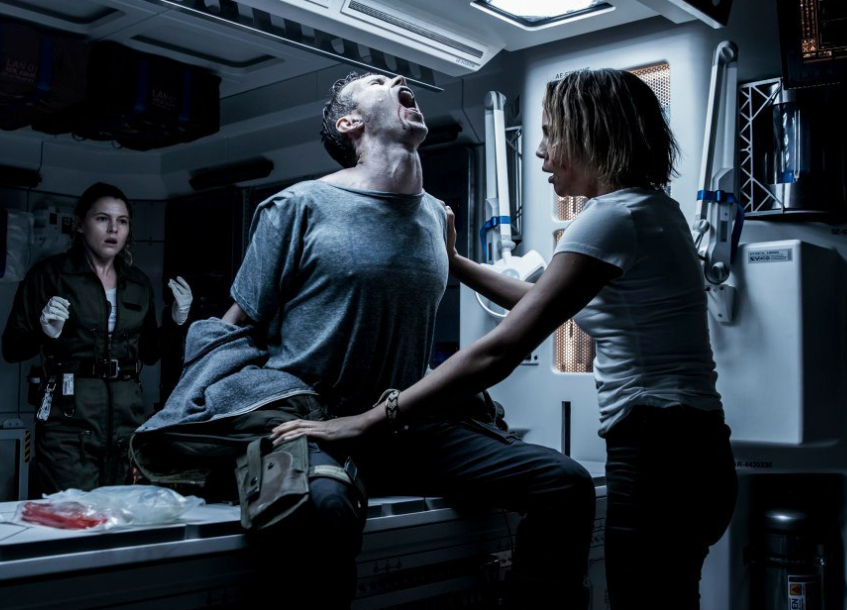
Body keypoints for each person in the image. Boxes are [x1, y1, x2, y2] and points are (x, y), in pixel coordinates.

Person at [273, 68, 738, 610]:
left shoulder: (611, 218)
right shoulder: (650, 208)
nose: (540, 151)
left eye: (551, 134)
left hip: (660, 452)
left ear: (589, 133)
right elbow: (538, 299)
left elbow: (499, 350)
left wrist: (371, 419)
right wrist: (453, 262)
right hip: (695, 448)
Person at [222, 71, 595, 609]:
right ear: (349, 123)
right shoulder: (295, 207)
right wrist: (211, 419)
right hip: (318, 424)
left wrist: (456, 259)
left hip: (405, 422)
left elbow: (536, 309)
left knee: (565, 483)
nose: (398, 78)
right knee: (323, 510)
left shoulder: (435, 216)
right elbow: (235, 328)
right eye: (377, 81)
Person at [2, 182, 193, 494]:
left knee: (117, 515)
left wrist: (176, 319)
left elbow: (149, 352)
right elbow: (11, 348)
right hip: (68, 426)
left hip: (125, 425)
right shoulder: (48, 276)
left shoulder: (137, 283)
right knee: (73, 515)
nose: (113, 229)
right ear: (79, 224)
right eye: (103, 218)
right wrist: (44, 332)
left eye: (122, 221)